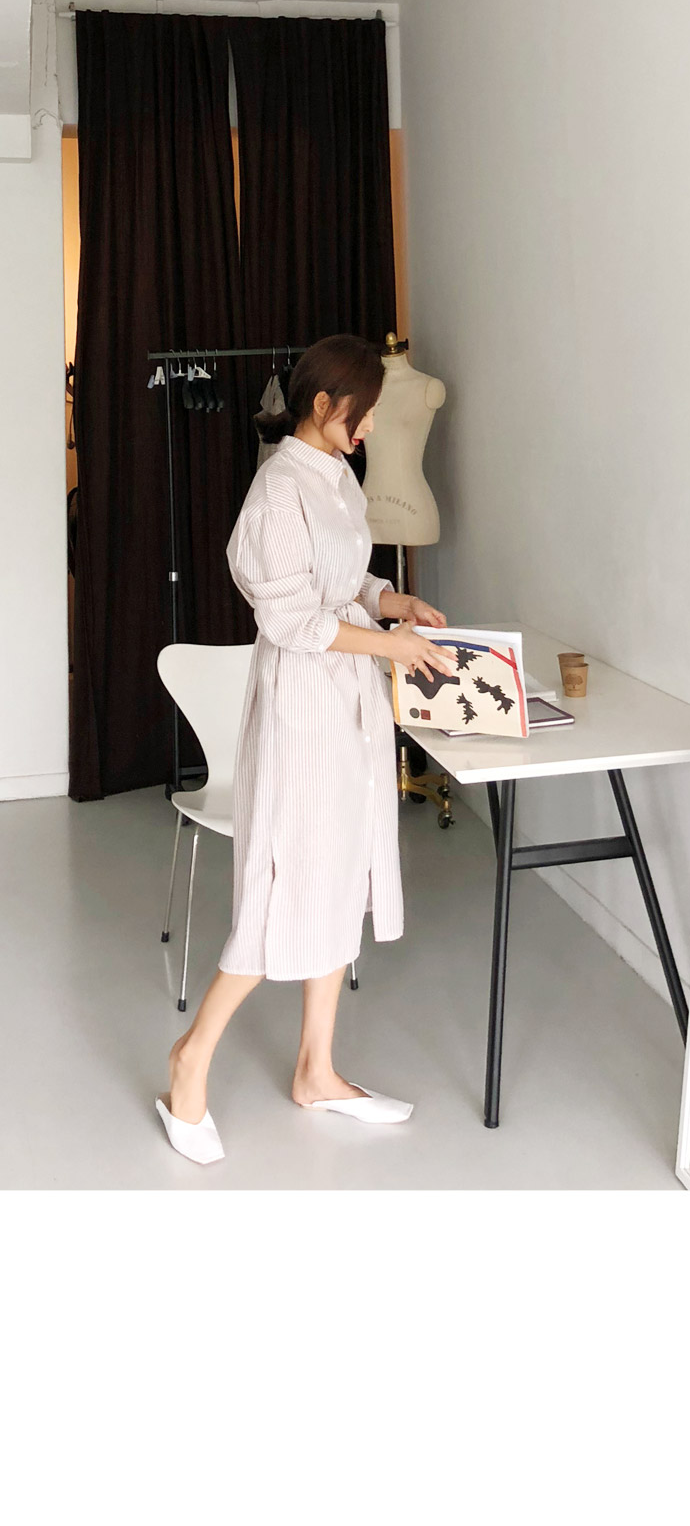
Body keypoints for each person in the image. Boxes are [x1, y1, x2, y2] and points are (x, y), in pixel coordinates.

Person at [156, 335, 455, 1164]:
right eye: (362, 414)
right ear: (323, 405)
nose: (369, 429)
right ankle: (190, 1059)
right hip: (301, 711)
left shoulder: (336, 476)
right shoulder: (276, 491)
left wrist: (393, 602)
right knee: (280, 887)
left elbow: (344, 579)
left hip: (348, 705)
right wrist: (391, 647)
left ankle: (317, 1069)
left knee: (340, 876)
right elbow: (289, 616)